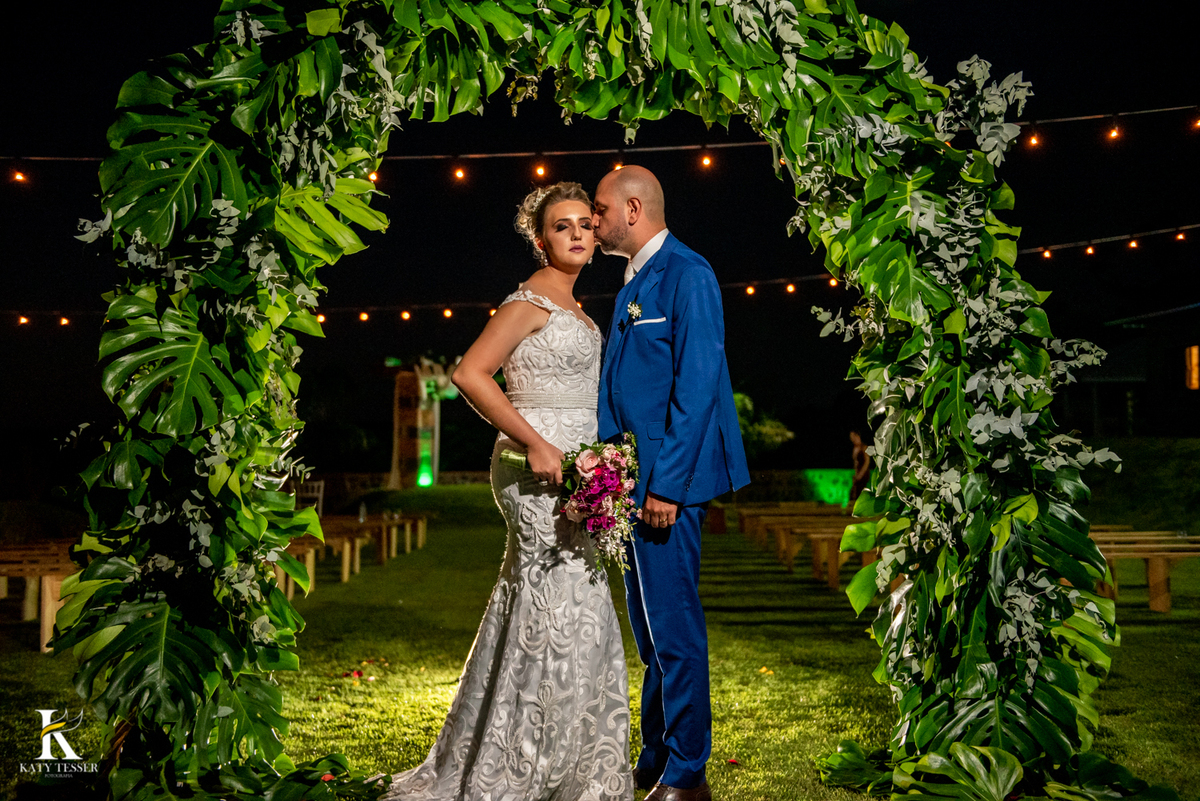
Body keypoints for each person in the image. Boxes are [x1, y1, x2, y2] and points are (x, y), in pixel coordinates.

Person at [383, 182, 632, 801]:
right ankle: (524, 764)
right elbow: (468, 373)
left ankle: (579, 763)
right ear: (539, 238)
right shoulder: (531, 298)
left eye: (584, 224)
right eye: (561, 226)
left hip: (585, 472)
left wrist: (601, 462)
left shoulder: (575, 306)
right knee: (553, 603)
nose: (577, 233)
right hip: (536, 469)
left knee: (583, 603)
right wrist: (538, 445)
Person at [592, 166, 750, 801]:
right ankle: (656, 760)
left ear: (634, 209)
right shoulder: (632, 279)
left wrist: (668, 486)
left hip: (666, 489)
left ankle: (688, 773)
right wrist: (609, 474)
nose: (593, 220)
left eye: (600, 210)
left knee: (675, 627)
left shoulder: (690, 274)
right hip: (630, 484)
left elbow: (698, 387)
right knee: (651, 628)